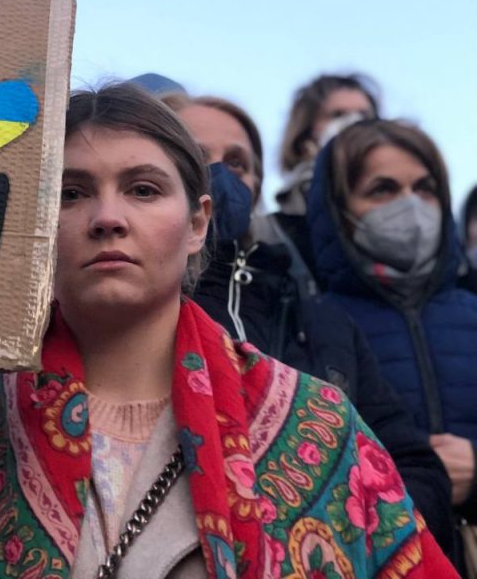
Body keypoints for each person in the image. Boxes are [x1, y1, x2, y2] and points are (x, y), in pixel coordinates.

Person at [0, 83, 455, 578]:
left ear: (199, 220)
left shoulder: (316, 427)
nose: (107, 217)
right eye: (71, 193)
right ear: (32, 224)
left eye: (143, 189)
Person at [163, 92, 456, 555]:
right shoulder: (129, 312)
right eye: (197, 157)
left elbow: (414, 466)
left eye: (237, 162)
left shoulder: (323, 322)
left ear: (257, 186)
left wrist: (340, 545)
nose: (219, 175)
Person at [306, 119, 477, 541]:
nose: (411, 205)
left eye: (425, 188)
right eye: (382, 189)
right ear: (338, 210)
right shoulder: (315, 326)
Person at [266, 73, 380, 282]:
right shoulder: (278, 226)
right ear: (307, 132)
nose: (354, 123)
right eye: (337, 115)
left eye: (364, 115)